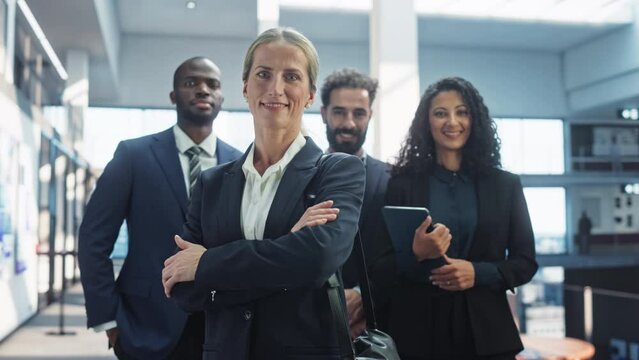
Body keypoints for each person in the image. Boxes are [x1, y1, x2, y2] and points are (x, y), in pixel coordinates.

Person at [161, 28, 366, 359]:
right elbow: (182, 288)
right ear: (245, 87)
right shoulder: (212, 183)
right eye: (264, 74)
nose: (276, 88)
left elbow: (317, 261)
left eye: (291, 77)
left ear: (311, 94)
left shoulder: (337, 171)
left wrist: (206, 264)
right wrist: (287, 251)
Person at [78, 57, 242, 359]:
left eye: (212, 85)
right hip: (145, 325)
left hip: (221, 326)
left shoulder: (240, 162)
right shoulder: (133, 156)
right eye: (191, 83)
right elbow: (93, 240)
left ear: (221, 98)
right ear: (173, 96)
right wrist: (108, 319)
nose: (203, 90)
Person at [369, 77, 538, 359]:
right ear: (427, 122)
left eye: (462, 112)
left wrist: (478, 273)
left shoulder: (505, 185)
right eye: (440, 113)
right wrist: (414, 253)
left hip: (487, 335)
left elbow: (526, 262)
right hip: (418, 334)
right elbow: (378, 268)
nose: (452, 121)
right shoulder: (401, 185)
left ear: (475, 119)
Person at [320, 68, 390, 337]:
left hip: (375, 326)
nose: (349, 122)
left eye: (359, 113)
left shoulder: (393, 179)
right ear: (325, 112)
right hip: (310, 324)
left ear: (370, 115)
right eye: (339, 112)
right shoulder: (302, 176)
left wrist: (364, 295)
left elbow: (399, 255)